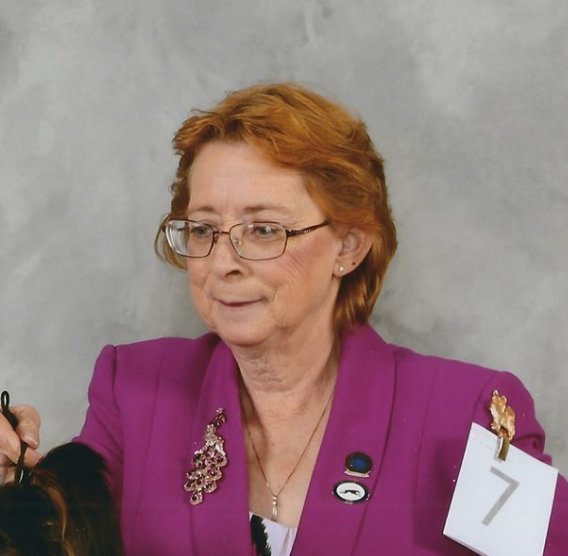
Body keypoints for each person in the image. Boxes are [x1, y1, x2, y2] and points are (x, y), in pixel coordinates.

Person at [1, 82, 567, 555]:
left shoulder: (465, 418)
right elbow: (57, 540)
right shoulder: (134, 390)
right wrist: (10, 483)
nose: (223, 262)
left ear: (349, 245)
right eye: (203, 229)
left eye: (265, 230)